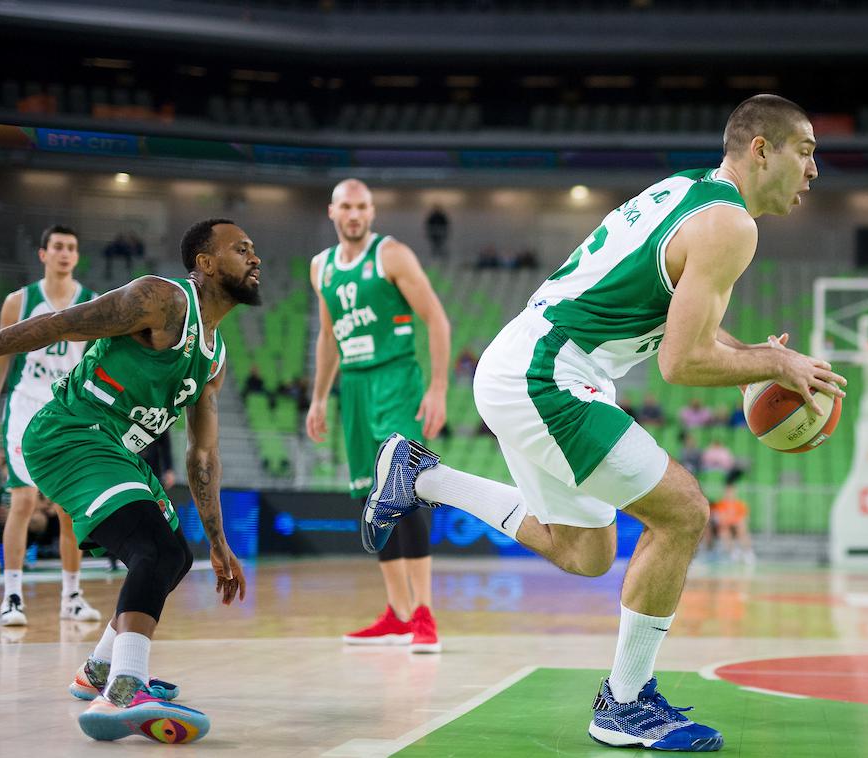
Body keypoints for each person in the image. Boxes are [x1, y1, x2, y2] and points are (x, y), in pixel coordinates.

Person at [359, 95, 843, 751]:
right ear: (762, 149)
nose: (814, 170)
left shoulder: (691, 192)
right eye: (806, 151)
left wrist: (757, 356)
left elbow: (688, 320)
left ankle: (422, 476)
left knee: (587, 553)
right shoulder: (732, 226)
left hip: (528, 362)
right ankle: (623, 702)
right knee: (684, 511)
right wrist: (771, 362)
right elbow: (680, 362)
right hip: (548, 373)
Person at [0, 217, 255, 743]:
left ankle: (96, 673)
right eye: (241, 249)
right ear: (204, 264)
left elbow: (203, 455)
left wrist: (219, 541)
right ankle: (125, 691)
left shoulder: (215, 356)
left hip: (115, 448)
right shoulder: (160, 299)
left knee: (176, 556)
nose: (255, 257)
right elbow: (59, 324)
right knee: (151, 550)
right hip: (71, 432)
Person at [306, 179, 450, 654]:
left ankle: (425, 613)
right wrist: (320, 397)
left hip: (396, 380)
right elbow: (328, 336)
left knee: (403, 490)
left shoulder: (391, 255)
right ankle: (398, 614)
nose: (354, 214)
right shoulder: (321, 267)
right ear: (332, 211)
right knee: (370, 499)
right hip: (355, 386)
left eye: (362, 207)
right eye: (346, 206)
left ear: (371, 212)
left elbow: (436, 319)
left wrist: (437, 388)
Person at [0, 225, 102, 626]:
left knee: (68, 509)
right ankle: (12, 597)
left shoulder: (91, 303)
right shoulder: (20, 301)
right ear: (43, 253)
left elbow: (95, 366)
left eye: (72, 248)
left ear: (77, 256)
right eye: (58, 247)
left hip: (67, 412)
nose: (65, 253)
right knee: (24, 501)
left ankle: (72, 596)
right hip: (26, 408)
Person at [712, 484, 754, 564]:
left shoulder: (740, 505)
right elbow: (718, 519)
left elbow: (744, 519)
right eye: (728, 492)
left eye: (731, 492)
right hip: (725, 527)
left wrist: (733, 521)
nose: (729, 494)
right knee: (724, 531)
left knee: (741, 526)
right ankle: (733, 552)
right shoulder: (720, 505)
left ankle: (748, 552)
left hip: (737, 527)